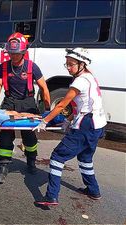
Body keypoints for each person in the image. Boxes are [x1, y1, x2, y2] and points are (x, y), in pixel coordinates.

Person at [33, 48, 107, 206]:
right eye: (66, 64)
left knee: (57, 157)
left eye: (71, 64)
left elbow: (61, 105)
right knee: (85, 158)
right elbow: (83, 104)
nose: (68, 68)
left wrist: (45, 121)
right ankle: (94, 191)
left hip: (87, 125)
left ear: (82, 64)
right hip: (98, 124)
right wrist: (70, 120)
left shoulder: (80, 80)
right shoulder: (90, 78)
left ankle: (51, 196)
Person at [0, 32, 51, 183]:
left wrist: (47, 111)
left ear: (23, 52)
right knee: (6, 135)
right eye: (11, 53)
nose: (13, 56)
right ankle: (3, 166)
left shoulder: (32, 67)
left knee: (29, 135)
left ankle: (31, 161)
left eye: (16, 53)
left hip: (28, 103)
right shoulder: (2, 68)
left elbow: (44, 88)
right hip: (9, 102)